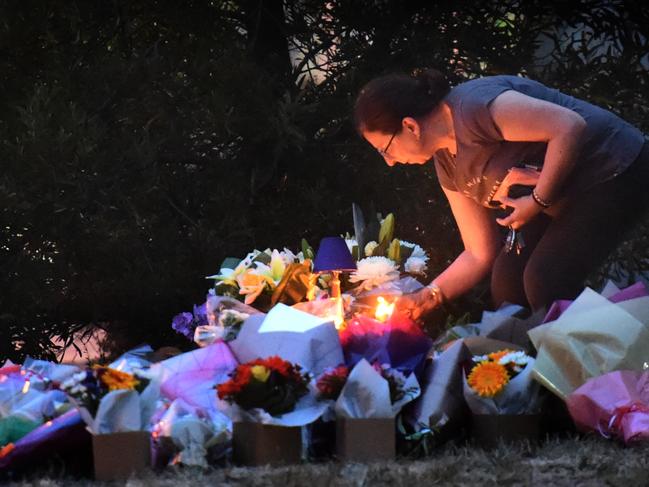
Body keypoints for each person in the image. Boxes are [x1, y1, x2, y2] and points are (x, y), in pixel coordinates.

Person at [353, 69, 649, 320]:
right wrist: (426, 298)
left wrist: (537, 201)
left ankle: (593, 378)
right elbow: (478, 253)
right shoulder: (446, 161)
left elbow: (569, 125)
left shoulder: (475, 108)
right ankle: (524, 376)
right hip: (557, 195)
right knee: (508, 287)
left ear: (410, 126)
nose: (389, 161)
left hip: (613, 168)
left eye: (385, 149)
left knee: (546, 279)